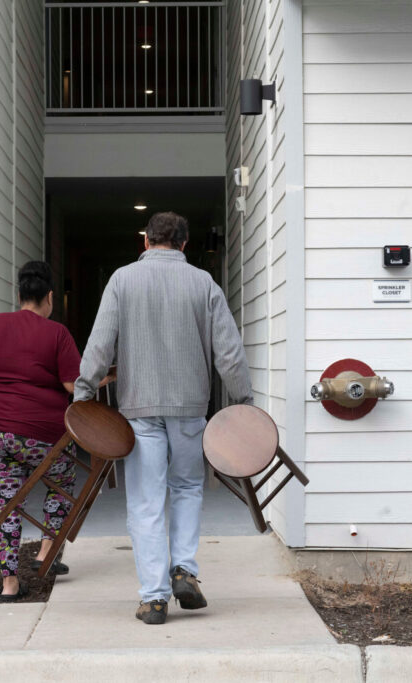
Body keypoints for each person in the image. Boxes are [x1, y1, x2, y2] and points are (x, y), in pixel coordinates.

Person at [73, 211, 253, 625]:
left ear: (146, 241)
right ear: (185, 244)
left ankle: (154, 599)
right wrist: (243, 400)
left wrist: (83, 394)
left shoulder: (122, 280)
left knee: (146, 500)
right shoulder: (203, 283)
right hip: (190, 408)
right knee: (188, 487)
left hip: (139, 410)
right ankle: (184, 570)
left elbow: (100, 344)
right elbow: (229, 352)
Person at [0, 261, 80, 602]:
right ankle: (46, 551)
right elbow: (72, 386)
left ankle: (9, 584)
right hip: (41, 432)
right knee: (63, 478)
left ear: (19, 294)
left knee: (8, 501)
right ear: (50, 297)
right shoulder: (57, 333)